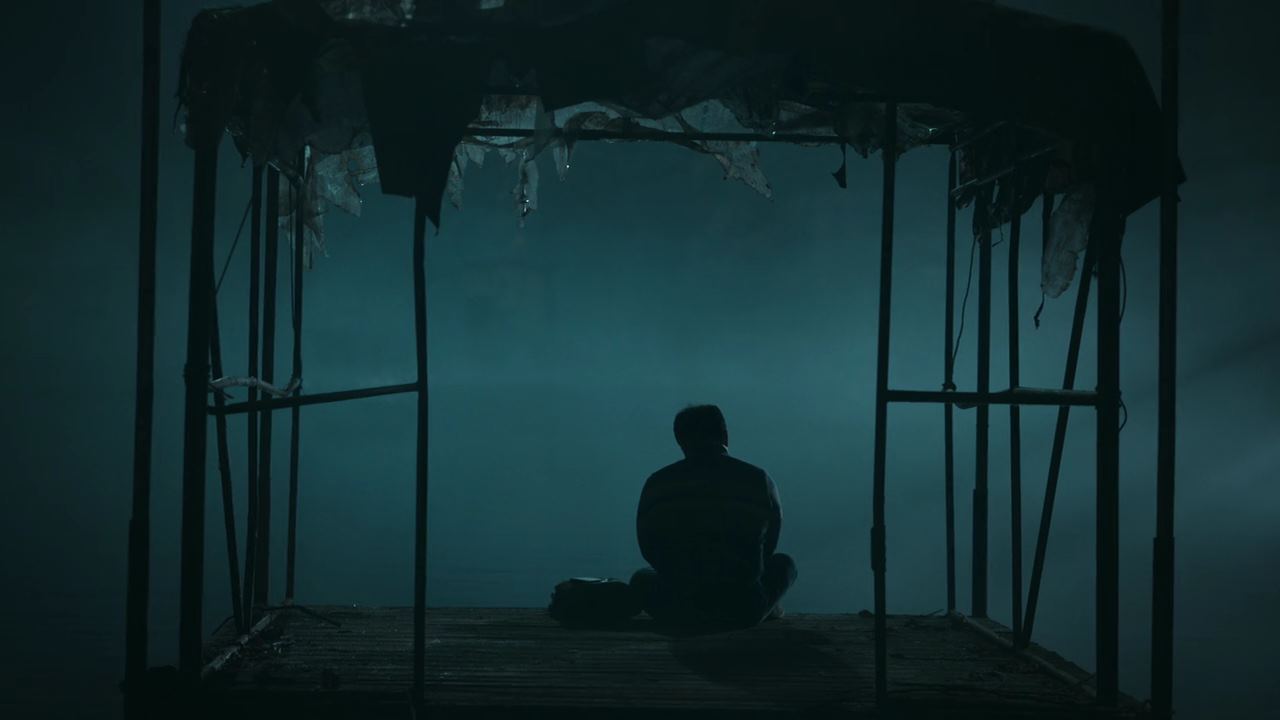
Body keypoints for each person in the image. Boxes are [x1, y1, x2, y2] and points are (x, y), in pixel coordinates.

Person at [630, 404, 797, 631]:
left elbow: (648, 547)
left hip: (678, 602)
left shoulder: (657, 483)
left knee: (641, 578)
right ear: (725, 434)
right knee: (785, 563)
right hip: (743, 605)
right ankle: (766, 607)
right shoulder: (758, 479)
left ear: (680, 440)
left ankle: (692, 614)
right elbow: (769, 545)